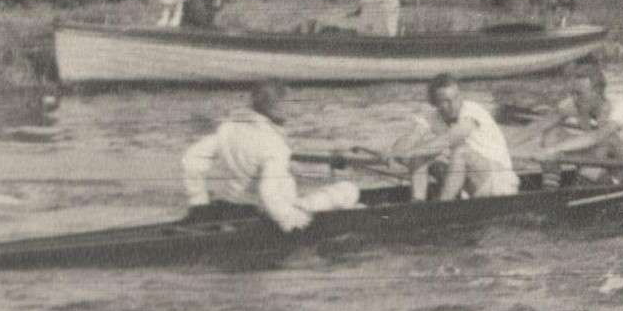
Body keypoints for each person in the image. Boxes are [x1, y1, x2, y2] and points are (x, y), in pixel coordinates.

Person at [181, 80, 361, 231]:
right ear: (277, 107)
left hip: (225, 208)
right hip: (263, 213)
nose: (292, 112)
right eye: (289, 106)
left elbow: (191, 160)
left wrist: (198, 203)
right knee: (349, 190)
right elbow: (268, 192)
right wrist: (291, 220)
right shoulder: (272, 144)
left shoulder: (226, 129)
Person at [394, 73, 522, 199]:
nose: (454, 104)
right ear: (435, 103)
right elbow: (410, 138)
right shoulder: (432, 116)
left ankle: (442, 207)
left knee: (461, 152)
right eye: (446, 101)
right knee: (419, 157)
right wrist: (394, 153)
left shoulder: (472, 110)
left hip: (500, 182)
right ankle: (417, 204)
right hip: (470, 183)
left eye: (456, 97)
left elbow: (448, 139)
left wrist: (406, 153)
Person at [522, 64, 623, 182]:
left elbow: (597, 136)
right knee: (552, 133)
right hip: (607, 162)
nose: (574, 99)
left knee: (604, 141)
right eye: (572, 93)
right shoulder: (576, 103)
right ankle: (550, 190)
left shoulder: (620, 106)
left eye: (579, 94)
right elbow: (538, 126)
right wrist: (506, 145)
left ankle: (603, 183)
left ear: (597, 92)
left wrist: (553, 150)